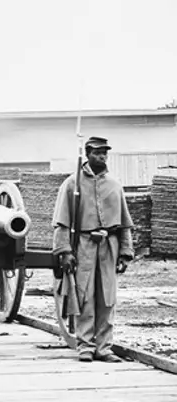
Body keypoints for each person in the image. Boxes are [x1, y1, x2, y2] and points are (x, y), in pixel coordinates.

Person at [51, 136, 134, 363]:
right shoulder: (72, 184)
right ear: (87, 154)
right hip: (83, 246)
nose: (102, 156)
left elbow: (125, 224)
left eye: (105, 152)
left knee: (107, 298)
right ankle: (85, 346)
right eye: (97, 152)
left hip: (109, 245)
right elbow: (62, 223)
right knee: (84, 296)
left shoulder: (115, 185)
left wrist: (126, 253)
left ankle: (104, 347)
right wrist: (65, 252)